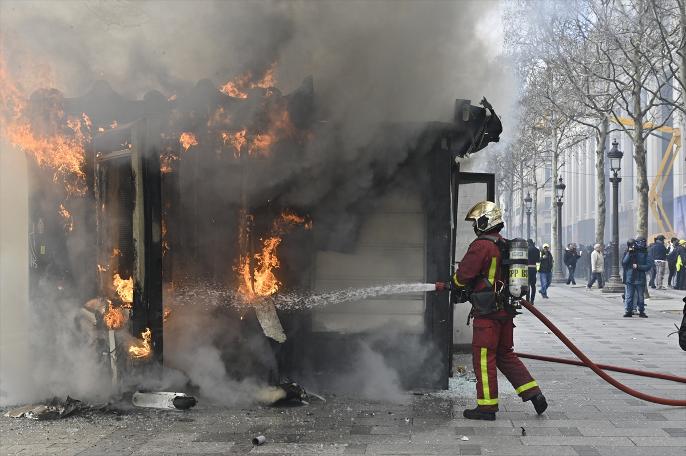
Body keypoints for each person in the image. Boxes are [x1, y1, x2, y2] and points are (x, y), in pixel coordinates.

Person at [452, 201, 547, 421]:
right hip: (506, 312)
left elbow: (464, 275)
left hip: (487, 315)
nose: (476, 226)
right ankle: (534, 393)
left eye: (477, 221)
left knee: (484, 358)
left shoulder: (481, 246)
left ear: (486, 221)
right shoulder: (505, 244)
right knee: (505, 355)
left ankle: (486, 407)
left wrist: (454, 284)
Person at [622, 238, 652, 318]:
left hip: (639, 277)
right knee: (630, 296)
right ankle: (629, 311)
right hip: (631, 277)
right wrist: (629, 252)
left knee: (640, 296)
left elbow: (648, 266)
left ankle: (641, 311)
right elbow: (624, 262)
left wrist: (638, 266)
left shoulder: (646, 253)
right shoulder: (630, 252)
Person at [527, 239, 540, 303]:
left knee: (528, 284)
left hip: (527, 268)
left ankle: (527, 299)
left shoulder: (527, 250)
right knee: (533, 285)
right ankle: (532, 300)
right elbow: (538, 261)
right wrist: (537, 269)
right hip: (534, 269)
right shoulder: (537, 250)